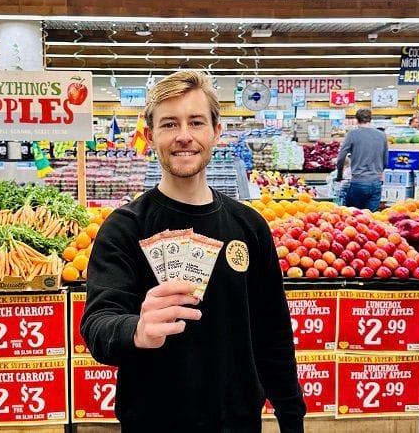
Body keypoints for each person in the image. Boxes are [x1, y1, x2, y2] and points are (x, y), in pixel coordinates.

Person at [81, 70, 305, 433]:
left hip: (239, 422)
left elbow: (273, 333)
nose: (183, 136)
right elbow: (97, 324)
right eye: (169, 124)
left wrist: (290, 415)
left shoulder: (249, 227)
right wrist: (136, 329)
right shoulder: (124, 227)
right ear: (150, 136)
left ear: (216, 132)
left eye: (196, 122)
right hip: (152, 423)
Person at [335, 108, 388, 211]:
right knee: (371, 218)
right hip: (376, 183)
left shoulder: (352, 134)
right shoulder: (382, 135)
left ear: (356, 119)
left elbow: (341, 158)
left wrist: (339, 175)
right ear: (370, 119)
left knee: (354, 217)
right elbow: (385, 161)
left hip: (358, 182)